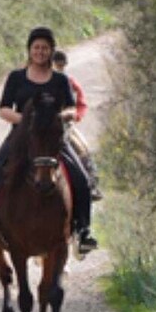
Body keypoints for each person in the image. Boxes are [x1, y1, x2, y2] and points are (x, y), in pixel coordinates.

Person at [0, 27, 99, 254]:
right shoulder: (16, 77)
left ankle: (83, 230)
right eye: (36, 47)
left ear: (51, 51)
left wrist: (62, 116)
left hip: (52, 139)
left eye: (45, 48)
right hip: (20, 137)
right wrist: (27, 121)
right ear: (29, 50)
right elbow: (3, 109)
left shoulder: (61, 80)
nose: (40, 52)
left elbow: (71, 106)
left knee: (80, 178)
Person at [52, 49, 103, 201]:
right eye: (56, 65)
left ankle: (92, 184)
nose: (59, 69)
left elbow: (81, 104)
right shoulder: (39, 80)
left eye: (61, 66)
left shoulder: (70, 83)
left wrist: (75, 115)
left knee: (83, 148)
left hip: (65, 126)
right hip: (41, 126)